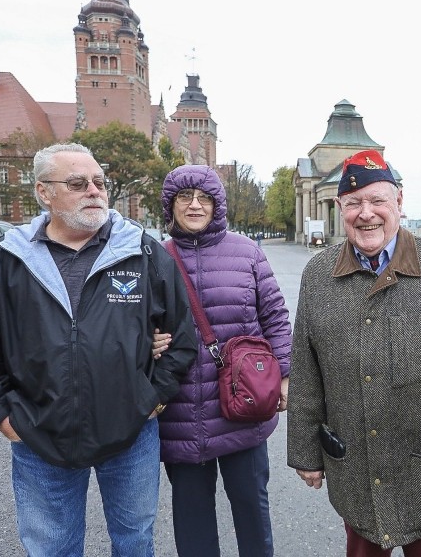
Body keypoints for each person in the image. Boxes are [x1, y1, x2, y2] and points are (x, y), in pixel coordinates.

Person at [0, 142, 198, 556]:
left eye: (98, 182)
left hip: (130, 431)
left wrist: (153, 396)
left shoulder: (142, 252)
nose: (94, 190)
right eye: (77, 182)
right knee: (52, 548)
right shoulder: (3, 260)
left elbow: (181, 335)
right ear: (43, 192)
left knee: (135, 541)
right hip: (39, 434)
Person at [286, 149, 421, 556]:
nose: (365, 213)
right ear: (340, 207)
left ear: (399, 203)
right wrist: (305, 451)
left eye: (377, 201)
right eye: (353, 203)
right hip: (357, 474)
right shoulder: (317, 276)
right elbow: (305, 370)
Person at [150, 165, 292, 557]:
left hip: (242, 406)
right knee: (192, 519)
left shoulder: (247, 252)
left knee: (251, 511)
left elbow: (276, 317)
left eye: (204, 198)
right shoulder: (155, 258)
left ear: (217, 205)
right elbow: (133, 320)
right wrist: (144, 342)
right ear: (170, 205)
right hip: (180, 414)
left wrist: (285, 375)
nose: (195, 205)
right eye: (184, 197)